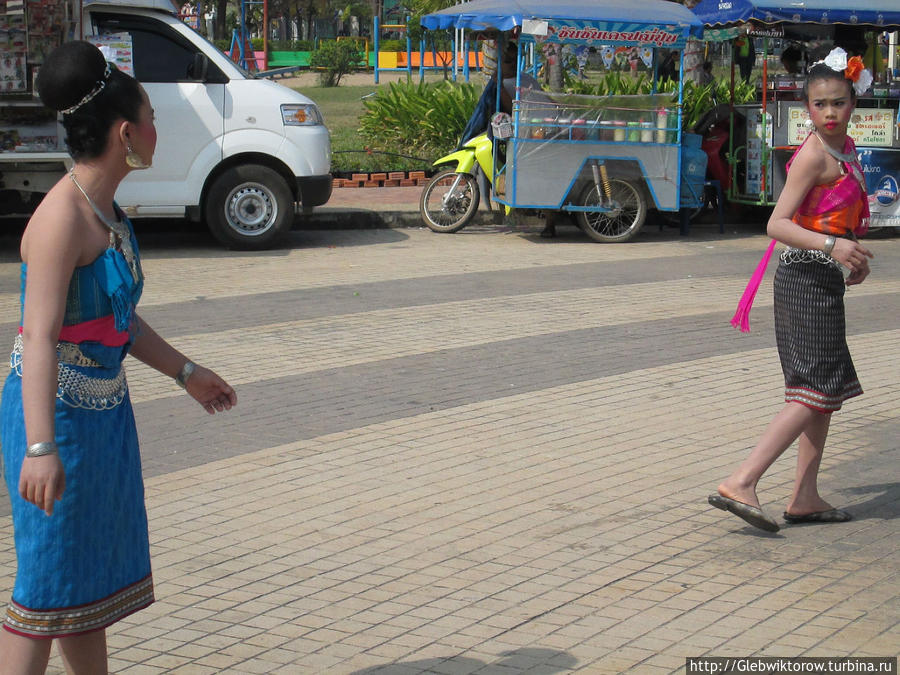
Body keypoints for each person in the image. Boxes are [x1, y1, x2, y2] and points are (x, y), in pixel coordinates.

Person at [0, 41, 237, 673]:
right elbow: (40, 337)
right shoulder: (60, 222)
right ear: (126, 133)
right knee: (46, 588)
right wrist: (41, 448)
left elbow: (117, 318)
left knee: (85, 588)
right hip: (56, 425)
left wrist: (186, 373)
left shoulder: (105, 209)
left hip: (103, 418)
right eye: (153, 118)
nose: (158, 129)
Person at [709, 48, 874, 533]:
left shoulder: (845, 150)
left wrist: (849, 256)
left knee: (824, 390)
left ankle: (805, 495)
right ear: (807, 109)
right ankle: (743, 479)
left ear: (852, 105)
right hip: (803, 279)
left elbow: (834, 222)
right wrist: (833, 247)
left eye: (838, 103)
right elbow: (776, 224)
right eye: (820, 105)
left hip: (822, 278)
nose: (829, 113)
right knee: (812, 389)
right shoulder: (814, 154)